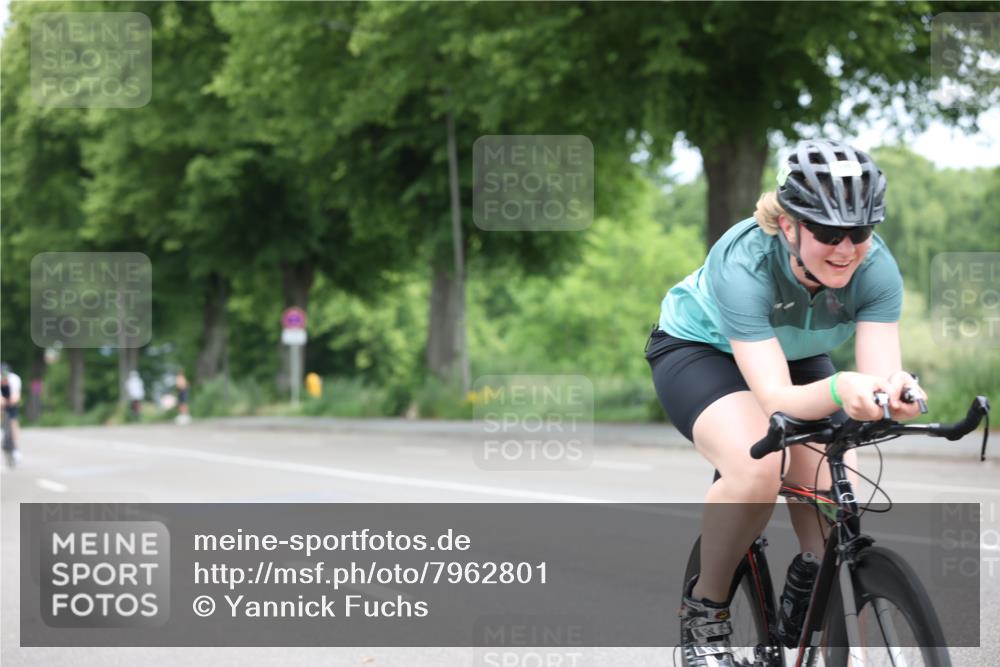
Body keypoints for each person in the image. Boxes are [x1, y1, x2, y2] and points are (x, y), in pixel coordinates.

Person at [645, 139, 925, 666]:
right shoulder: (742, 260)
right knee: (759, 466)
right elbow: (776, 398)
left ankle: (808, 585)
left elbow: (882, 372)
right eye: (826, 232)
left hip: (798, 358)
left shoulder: (877, 268)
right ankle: (705, 610)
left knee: (836, 494)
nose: (846, 248)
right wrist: (846, 389)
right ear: (790, 225)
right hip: (702, 350)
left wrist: (896, 394)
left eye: (860, 232)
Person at [1, 363, 23, 460]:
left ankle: (15, 448)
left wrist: (11, 401)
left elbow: (16, 396)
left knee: (13, 420)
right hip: (2, 398)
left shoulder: (15, 379)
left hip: (12, 398)